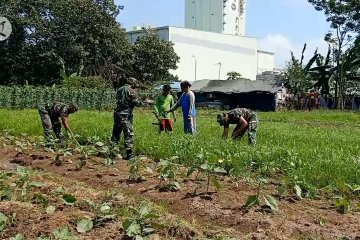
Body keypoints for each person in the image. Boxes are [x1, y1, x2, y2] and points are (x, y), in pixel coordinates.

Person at [111, 77, 142, 160]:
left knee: (116, 133)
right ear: (132, 83)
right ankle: (129, 154)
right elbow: (136, 103)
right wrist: (146, 101)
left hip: (117, 113)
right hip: (125, 114)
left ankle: (111, 152)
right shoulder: (131, 91)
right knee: (128, 133)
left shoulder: (119, 89)